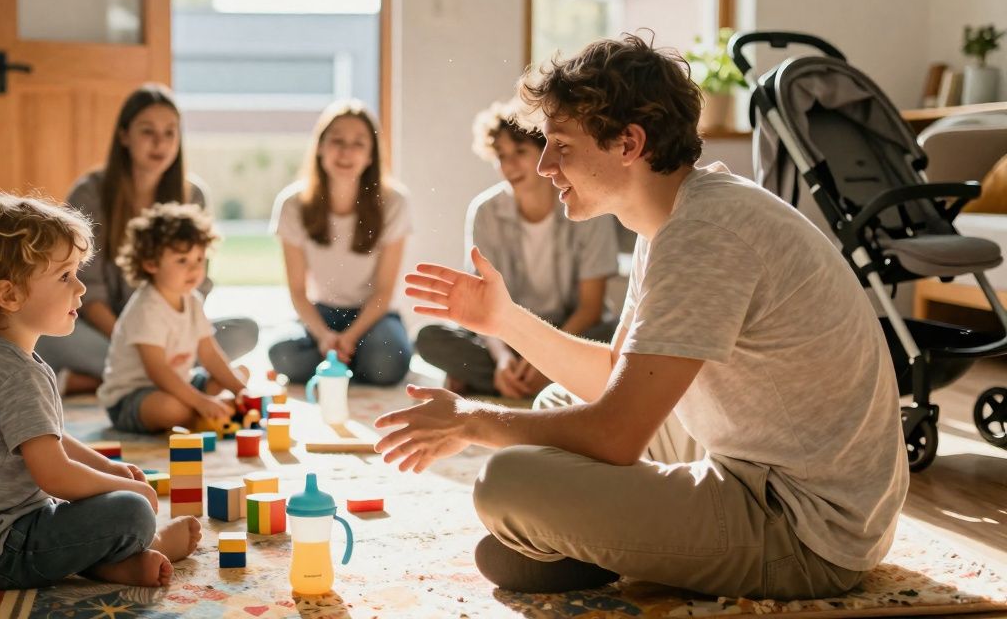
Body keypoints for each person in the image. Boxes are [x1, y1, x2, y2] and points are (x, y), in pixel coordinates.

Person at [375, 34, 907, 600]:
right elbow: (613, 375)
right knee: (557, 406)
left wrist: (468, 420)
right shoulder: (675, 218)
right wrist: (506, 321)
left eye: (560, 145)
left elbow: (615, 436)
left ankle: (584, 538)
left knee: (505, 481)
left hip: (804, 529)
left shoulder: (705, 235)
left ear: (628, 143)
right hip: (751, 462)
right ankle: (594, 537)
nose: (547, 165)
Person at [0, 193, 201, 590]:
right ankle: (147, 544)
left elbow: (45, 435)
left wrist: (106, 467)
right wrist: (124, 485)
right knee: (131, 510)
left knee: (98, 497)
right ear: (9, 295)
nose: (81, 288)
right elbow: (55, 475)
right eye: (65, 276)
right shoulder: (17, 375)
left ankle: (106, 566)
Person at [35, 84, 258, 392]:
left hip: (170, 329)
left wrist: (176, 330)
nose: (160, 143)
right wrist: (137, 340)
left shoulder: (192, 195)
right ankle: (169, 376)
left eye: (170, 133)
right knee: (45, 336)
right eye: (147, 132)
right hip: (107, 332)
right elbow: (88, 291)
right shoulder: (90, 194)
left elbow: (198, 278)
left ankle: (101, 380)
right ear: (124, 136)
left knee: (245, 331)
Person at [415, 100, 618, 397]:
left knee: (618, 336)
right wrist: (502, 360)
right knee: (428, 338)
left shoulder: (586, 205)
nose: (509, 166)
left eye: (520, 152)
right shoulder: (485, 211)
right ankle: (534, 380)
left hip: (571, 333)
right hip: (507, 330)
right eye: (501, 155)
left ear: (545, 153)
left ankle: (510, 382)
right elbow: (482, 302)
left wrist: (546, 355)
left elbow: (591, 306)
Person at [268, 100, 412, 386]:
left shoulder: (394, 202)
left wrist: (349, 337)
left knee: (388, 362)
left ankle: (344, 358)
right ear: (320, 147)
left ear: (371, 155)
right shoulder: (292, 203)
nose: (346, 152)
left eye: (358, 143)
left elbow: (384, 291)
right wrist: (323, 335)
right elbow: (297, 291)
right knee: (283, 354)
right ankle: (347, 359)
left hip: (373, 315)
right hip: (321, 313)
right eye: (337, 141)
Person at [100, 202, 249, 433]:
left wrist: (241, 390)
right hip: (134, 396)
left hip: (180, 382)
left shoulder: (192, 300)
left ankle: (208, 410)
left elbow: (209, 353)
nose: (194, 269)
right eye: (182, 261)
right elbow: (157, 371)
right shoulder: (147, 308)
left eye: (199, 259)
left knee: (239, 374)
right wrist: (200, 401)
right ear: (151, 264)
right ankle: (203, 414)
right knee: (172, 409)